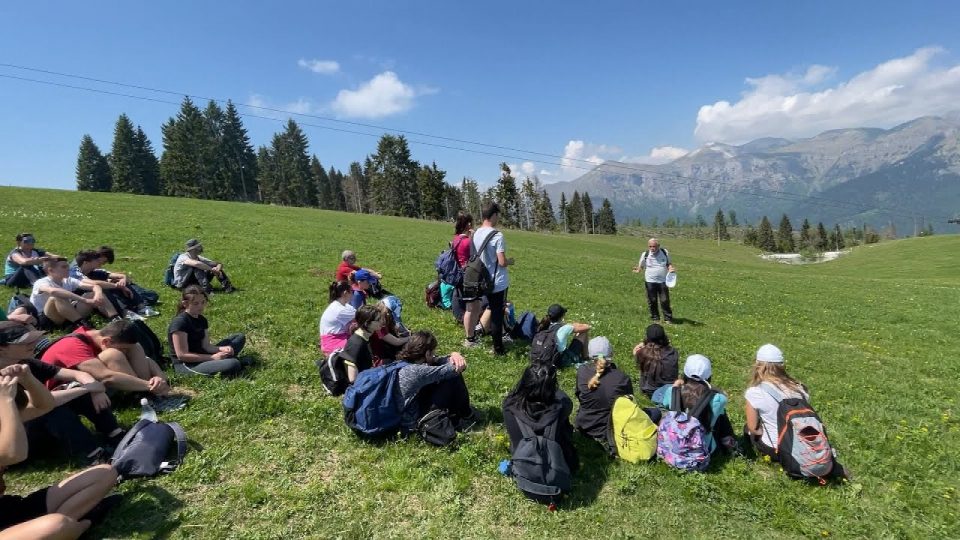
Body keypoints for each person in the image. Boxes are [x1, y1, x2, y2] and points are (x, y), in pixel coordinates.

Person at [0, 363, 120, 539]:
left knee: (105, 473)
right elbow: (13, 454)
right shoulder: (5, 408)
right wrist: (7, 401)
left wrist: (27, 379)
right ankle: (79, 525)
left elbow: (45, 405)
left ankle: (62, 526)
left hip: (8, 508)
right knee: (56, 526)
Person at [0, 322, 124, 464]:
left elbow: (77, 374)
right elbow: (38, 404)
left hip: (33, 427)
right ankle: (95, 456)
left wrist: (94, 389)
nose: (32, 344)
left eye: (32, 339)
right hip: (15, 445)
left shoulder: (25, 363)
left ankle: (115, 435)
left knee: (77, 392)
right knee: (52, 409)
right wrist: (88, 388)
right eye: (24, 342)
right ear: (2, 349)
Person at [743, 344, 850, 479]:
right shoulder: (799, 388)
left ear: (759, 366)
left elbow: (754, 429)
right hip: (801, 440)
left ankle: (775, 459)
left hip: (778, 449)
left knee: (747, 429)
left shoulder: (755, 392)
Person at [40, 319, 171, 398]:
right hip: (64, 392)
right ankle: (147, 392)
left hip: (95, 383)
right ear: (106, 341)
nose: (125, 353)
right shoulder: (73, 346)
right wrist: (149, 386)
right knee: (113, 355)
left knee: (135, 347)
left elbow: (146, 360)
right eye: (123, 349)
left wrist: (159, 378)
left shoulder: (96, 336)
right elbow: (106, 377)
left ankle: (152, 391)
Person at [575, 337, 654, 450]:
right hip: (610, 430)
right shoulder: (622, 378)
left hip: (584, 425)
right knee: (655, 413)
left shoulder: (582, 372)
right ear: (611, 354)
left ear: (589, 354)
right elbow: (629, 405)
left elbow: (579, 395)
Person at [502, 362, 579, 476]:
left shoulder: (509, 406)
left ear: (524, 382)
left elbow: (515, 393)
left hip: (523, 461)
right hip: (557, 465)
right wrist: (547, 383)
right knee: (564, 426)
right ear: (552, 387)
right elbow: (563, 397)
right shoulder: (561, 407)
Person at [655, 354, 737, 454]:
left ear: (684, 375)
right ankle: (728, 440)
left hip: (673, 443)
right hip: (702, 449)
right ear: (709, 377)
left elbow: (665, 403)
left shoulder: (672, 392)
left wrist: (675, 387)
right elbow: (723, 396)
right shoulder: (718, 399)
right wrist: (713, 389)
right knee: (720, 415)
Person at [394, 331, 475, 432]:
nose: (434, 355)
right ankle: (465, 414)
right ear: (427, 353)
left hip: (400, 415)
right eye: (433, 353)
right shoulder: (419, 371)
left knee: (444, 375)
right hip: (411, 422)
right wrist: (455, 354)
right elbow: (458, 368)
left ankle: (462, 413)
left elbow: (437, 361)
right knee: (453, 378)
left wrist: (450, 355)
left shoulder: (401, 363)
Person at [463, 202, 514, 354]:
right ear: (493, 215)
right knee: (496, 314)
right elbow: (502, 262)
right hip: (496, 281)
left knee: (481, 307)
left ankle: (471, 337)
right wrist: (510, 261)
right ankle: (498, 348)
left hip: (480, 279)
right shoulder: (497, 235)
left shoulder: (476, 233)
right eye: (498, 215)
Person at [168, 286, 249, 378]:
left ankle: (226, 361)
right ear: (185, 304)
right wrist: (212, 358)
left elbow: (206, 346)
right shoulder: (180, 322)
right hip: (187, 364)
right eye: (196, 303)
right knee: (233, 364)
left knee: (239, 337)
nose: (200, 306)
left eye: (203, 302)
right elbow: (182, 355)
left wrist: (221, 349)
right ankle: (234, 362)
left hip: (203, 355)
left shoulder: (202, 319)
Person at [29, 258, 118, 329]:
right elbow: (53, 291)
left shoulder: (68, 280)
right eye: (64, 267)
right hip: (50, 318)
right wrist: (85, 300)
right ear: (51, 270)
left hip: (68, 312)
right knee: (56, 297)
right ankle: (82, 325)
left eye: (67, 266)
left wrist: (98, 293)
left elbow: (94, 286)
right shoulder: (41, 282)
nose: (68, 268)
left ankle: (115, 319)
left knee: (92, 294)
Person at [633, 237, 675, 323]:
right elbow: (641, 266)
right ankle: (655, 318)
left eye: (654, 246)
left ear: (658, 246)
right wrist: (638, 270)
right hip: (650, 281)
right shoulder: (645, 254)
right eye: (650, 246)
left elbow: (668, 263)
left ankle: (668, 319)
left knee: (665, 300)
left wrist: (670, 268)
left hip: (663, 281)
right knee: (652, 300)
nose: (652, 248)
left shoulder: (664, 252)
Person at [633, 323, 680, 399]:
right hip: (669, 391)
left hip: (650, 392)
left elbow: (637, 354)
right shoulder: (673, 352)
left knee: (644, 369)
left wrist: (637, 352)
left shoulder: (643, 353)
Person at [340, 305, 381, 383]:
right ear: (367, 323)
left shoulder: (366, 336)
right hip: (361, 384)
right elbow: (352, 379)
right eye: (378, 320)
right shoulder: (356, 344)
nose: (382, 321)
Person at [318, 281, 356, 355]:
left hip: (336, 338)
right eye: (352, 292)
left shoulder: (341, 305)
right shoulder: (340, 310)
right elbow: (362, 316)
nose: (353, 294)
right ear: (345, 293)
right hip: (333, 341)